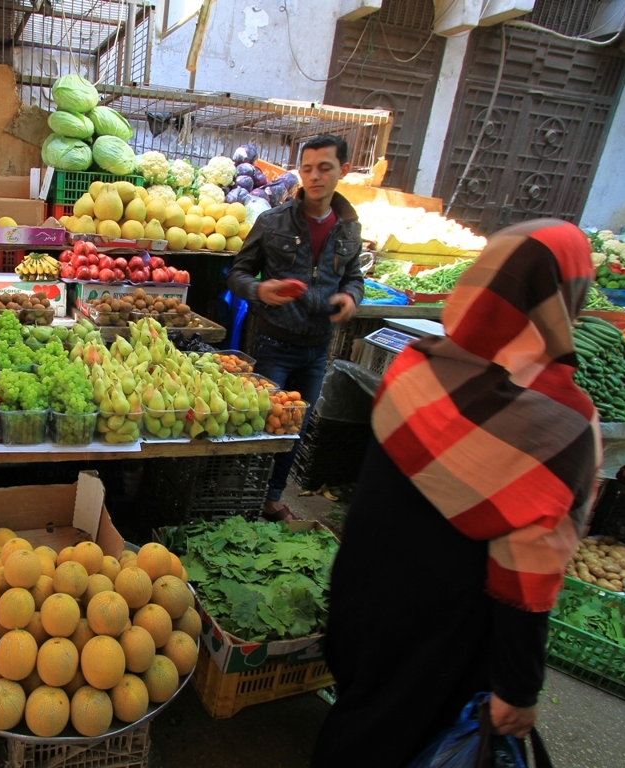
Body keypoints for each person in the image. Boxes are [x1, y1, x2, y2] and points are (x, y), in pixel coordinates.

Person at [311, 220, 599, 767]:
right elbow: (527, 567)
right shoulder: (560, 424)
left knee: (360, 719)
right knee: (407, 739)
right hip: (442, 629)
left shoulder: (417, 364)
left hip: (363, 598)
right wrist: (519, 686)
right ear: (566, 300)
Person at [227, 134, 364, 522]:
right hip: (274, 343)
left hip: (319, 347)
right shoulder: (272, 222)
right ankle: (242, 498)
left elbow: (354, 277)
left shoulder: (349, 229)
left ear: (343, 171)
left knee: (294, 428)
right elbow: (237, 274)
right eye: (307, 169)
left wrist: (351, 297)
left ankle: (271, 498)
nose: (315, 177)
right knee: (258, 423)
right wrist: (260, 289)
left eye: (325, 168)